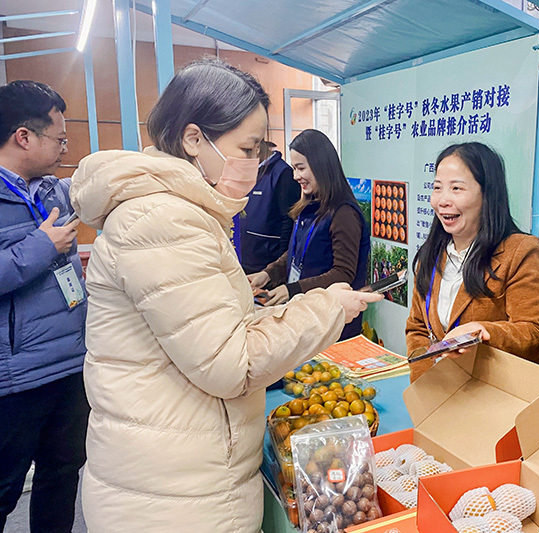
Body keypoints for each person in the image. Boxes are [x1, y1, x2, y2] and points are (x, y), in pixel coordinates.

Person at [69, 59, 381, 532]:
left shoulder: (173, 211)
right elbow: (229, 361)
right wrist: (325, 307)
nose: (258, 164)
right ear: (195, 139)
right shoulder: (165, 220)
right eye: (248, 147)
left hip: (176, 472)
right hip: (175, 496)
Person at [0, 80, 87, 532]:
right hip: (17, 379)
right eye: (60, 138)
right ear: (24, 137)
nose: (64, 147)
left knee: (61, 477)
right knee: (4, 488)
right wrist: (40, 247)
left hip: (70, 365)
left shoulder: (53, 190)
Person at [406, 142, 539, 382]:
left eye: (456, 188)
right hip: (447, 394)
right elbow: (417, 328)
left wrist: (485, 332)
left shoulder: (521, 252)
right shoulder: (431, 255)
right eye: (437, 188)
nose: (442, 200)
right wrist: (428, 385)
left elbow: (535, 334)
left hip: (502, 397)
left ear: (487, 194)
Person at [248, 129, 371, 340]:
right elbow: (296, 253)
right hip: (308, 316)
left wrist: (293, 289)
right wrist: (268, 274)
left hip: (335, 324)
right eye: (294, 168)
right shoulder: (309, 204)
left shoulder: (344, 213)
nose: (295, 176)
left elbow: (343, 273)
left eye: (300, 168)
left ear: (321, 165)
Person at [240, 140, 300, 274]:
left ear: (257, 148)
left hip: (267, 263)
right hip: (247, 258)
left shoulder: (283, 173)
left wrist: (278, 267)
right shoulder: (253, 171)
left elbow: (288, 220)